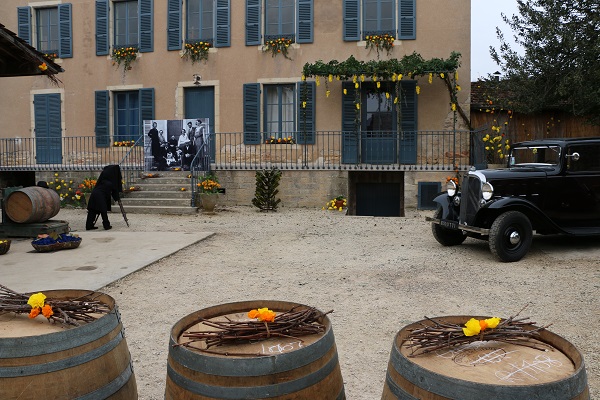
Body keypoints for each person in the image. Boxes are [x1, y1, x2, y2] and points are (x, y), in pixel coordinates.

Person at [86, 164, 123, 230]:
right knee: (103, 210)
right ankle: (106, 225)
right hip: (100, 195)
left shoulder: (103, 180)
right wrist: (117, 197)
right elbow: (115, 191)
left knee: (92, 210)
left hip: (94, 194)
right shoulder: (110, 182)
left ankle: (89, 225)